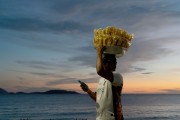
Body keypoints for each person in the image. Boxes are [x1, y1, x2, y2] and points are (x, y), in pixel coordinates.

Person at [80, 46, 124, 120]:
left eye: (104, 61)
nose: (102, 63)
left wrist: (99, 53)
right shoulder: (101, 80)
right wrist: (88, 90)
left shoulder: (117, 76)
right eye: (103, 61)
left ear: (112, 63)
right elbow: (98, 99)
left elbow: (99, 70)